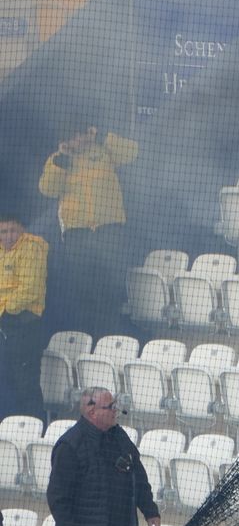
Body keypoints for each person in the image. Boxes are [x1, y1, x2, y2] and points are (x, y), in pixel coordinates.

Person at [46, 388, 161, 526]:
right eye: (110, 407)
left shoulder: (118, 437)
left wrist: (150, 510)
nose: (115, 411)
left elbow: (138, 475)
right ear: (91, 411)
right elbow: (58, 497)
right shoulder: (70, 445)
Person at [37, 120, 138, 334]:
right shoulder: (58, 160)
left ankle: (115, 335)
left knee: (112, 285)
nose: (77, 140)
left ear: (88, 133)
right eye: (72, 137)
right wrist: (63, 160)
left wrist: (102, 137)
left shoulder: (104, 150)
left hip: (109, 229)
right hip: (77, 233)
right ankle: (92, 337)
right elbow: (47, 189)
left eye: (80, 135)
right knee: (85, 289)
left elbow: (132, 152)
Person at [0, 217, 48, 421]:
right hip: (5, 322)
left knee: (25, 382)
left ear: (22, 229)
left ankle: (34, 426)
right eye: (3, 232)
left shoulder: (32, 248)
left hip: (24, 323)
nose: (8, 236)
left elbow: (30, 289)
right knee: (7, 378)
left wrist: (5, 306)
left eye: (12, 230)